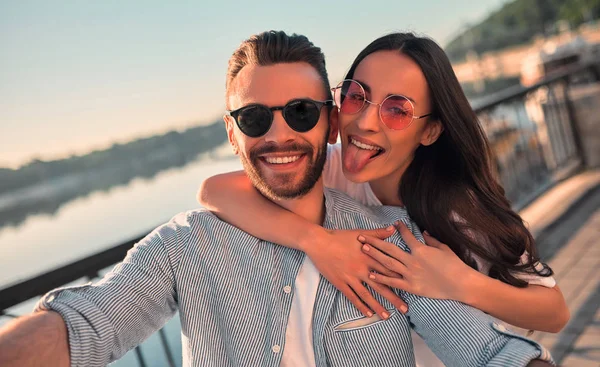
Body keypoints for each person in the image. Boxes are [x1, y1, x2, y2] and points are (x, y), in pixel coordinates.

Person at [0, 30, 554, 367]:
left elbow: (488, 352)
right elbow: (88, 325)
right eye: (255, 118)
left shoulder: (389, 239)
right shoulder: (187, 245)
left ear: (330, 121)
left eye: (301, 112)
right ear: (231, 132)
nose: (279, 135)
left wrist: (460, 282)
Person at [198, 32, 569, 366]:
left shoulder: (461, 210)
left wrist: (458, 282)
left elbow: (554, 312)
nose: (365, 122)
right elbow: (214, 190)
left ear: (430, 130)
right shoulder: (327, 170)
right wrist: (315, 241)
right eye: (357, 96)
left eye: (397, 110)